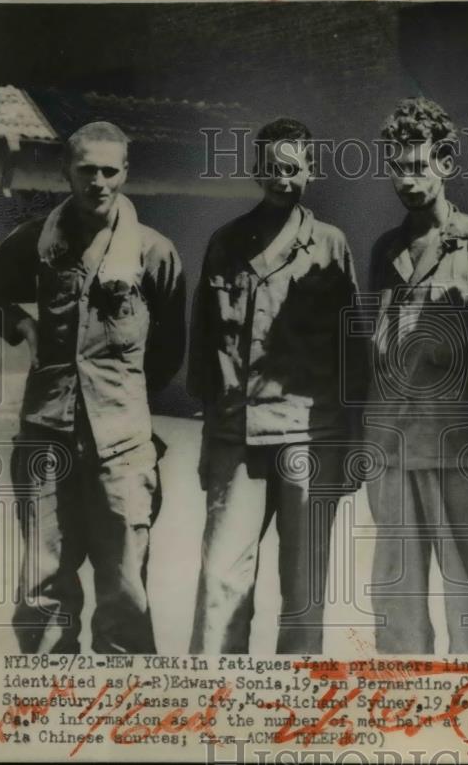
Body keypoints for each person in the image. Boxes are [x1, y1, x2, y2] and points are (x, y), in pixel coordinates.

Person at [0, 121, 186, 653]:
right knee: (44, 579)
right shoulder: (34, 241)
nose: (98, 181)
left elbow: (170, 342)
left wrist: (125, 393)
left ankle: (122, 706)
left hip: (121, 443)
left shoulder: (153, 251)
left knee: (124, 584)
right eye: (86, 170)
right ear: (65, 172)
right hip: (47, 434)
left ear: (125, 173)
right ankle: (51, 702)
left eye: (109, 170)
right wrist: (24, 328)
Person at [188, 117, 362, 654]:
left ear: (310, 171)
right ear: (255, 170)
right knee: (221, 578)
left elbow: (353, 350)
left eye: (293, 168)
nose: (282, 179)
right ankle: (213, 700)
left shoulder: (331, 246)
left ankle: (296, 705)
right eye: (271, 168)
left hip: (309, 437)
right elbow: (204, 345)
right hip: (236, 437)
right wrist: (207, 440)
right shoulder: (225, 243)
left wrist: (352, 442)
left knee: (304, 585)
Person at [365, 97, 468, 654]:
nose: (407, 178)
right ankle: (405, 705)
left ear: (445, 162)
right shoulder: (385, 249)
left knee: (464, 581)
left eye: (419, 165)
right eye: (397, 166)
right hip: (391, 442)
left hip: (456, 443)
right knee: (394, 587)